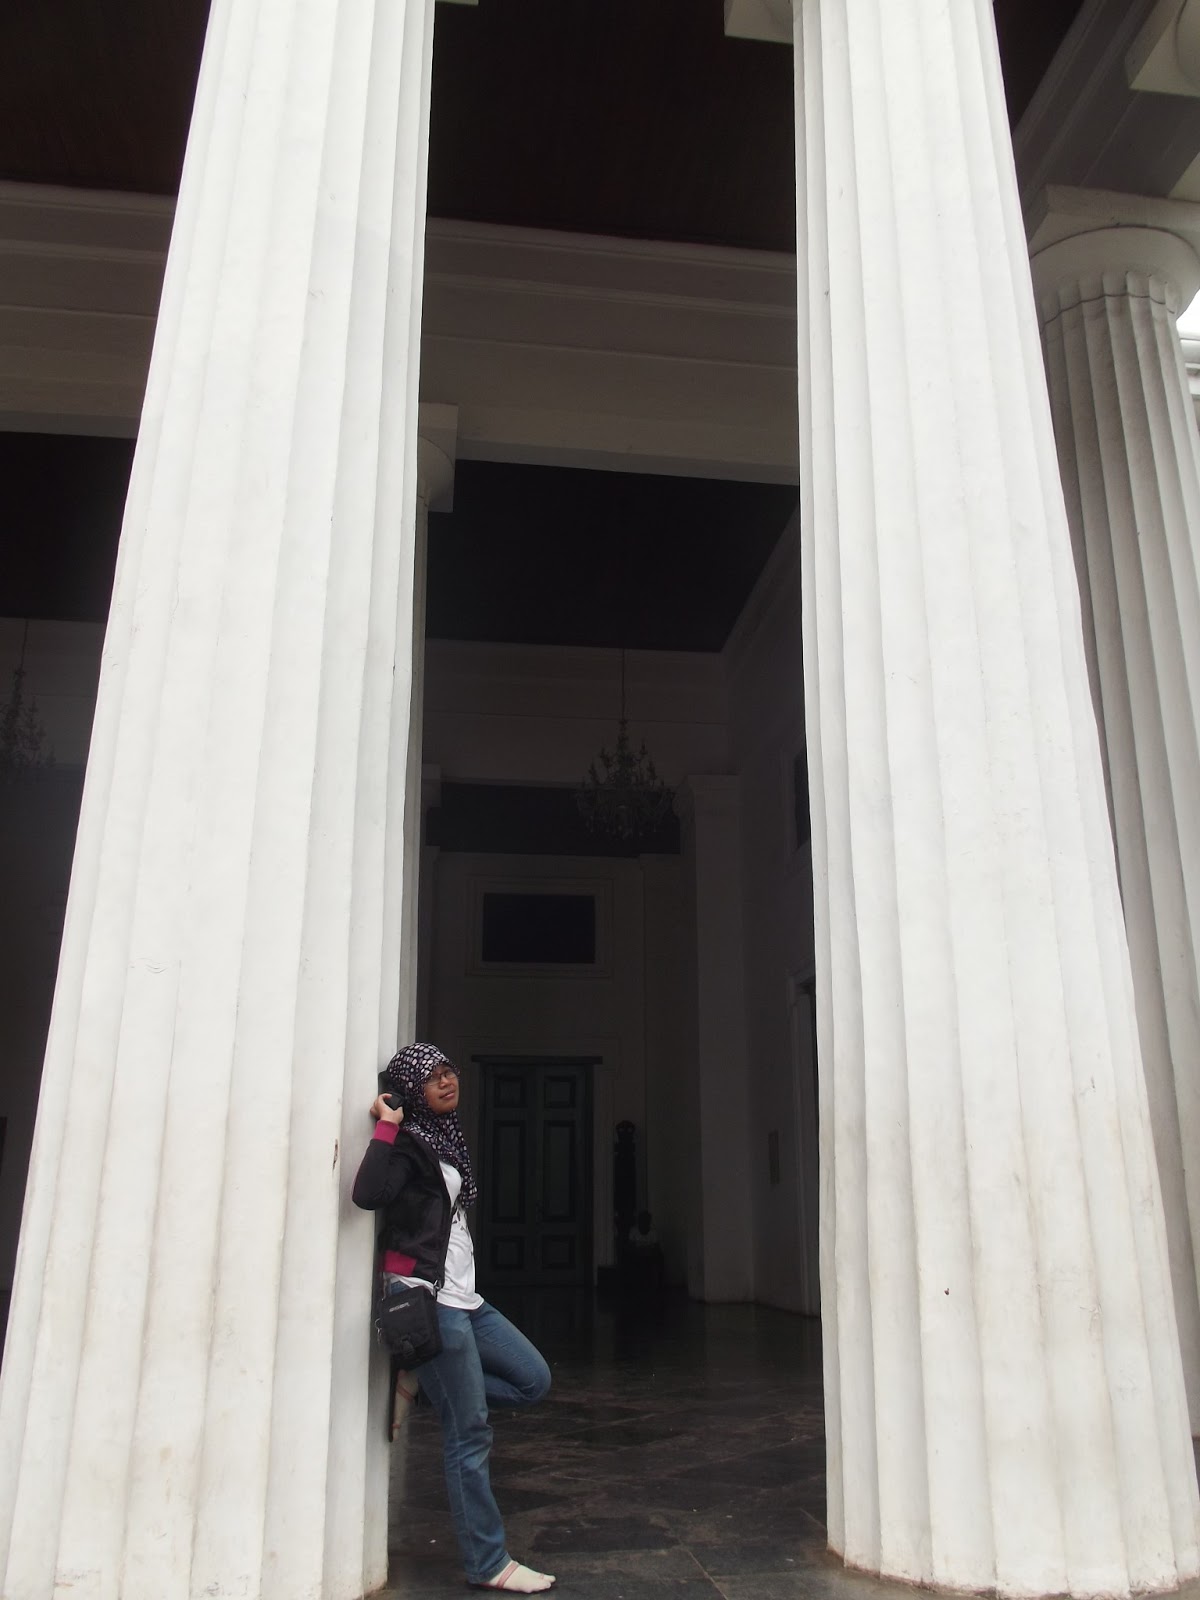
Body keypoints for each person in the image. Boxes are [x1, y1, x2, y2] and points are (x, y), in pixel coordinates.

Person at [353, 1041, 556, 1594]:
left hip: (467, 1297)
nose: (447, 1081)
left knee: (533, 1379)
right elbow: (367, 1194)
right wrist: (388, 1124)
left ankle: (423, 1383)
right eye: (432, 1076)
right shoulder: (408, 1143)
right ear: (410, 1090)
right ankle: (488, 1562)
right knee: (470, 1431)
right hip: (428, 1297)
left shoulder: (445, 1139)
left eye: (450, 1072)